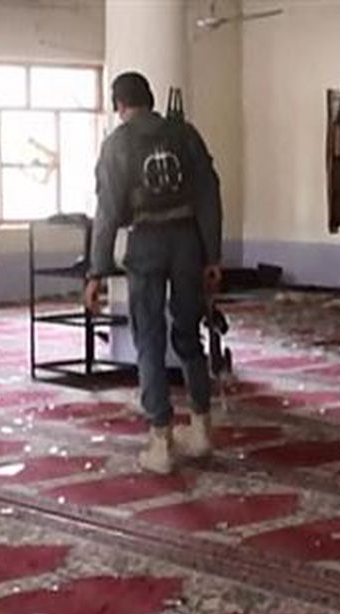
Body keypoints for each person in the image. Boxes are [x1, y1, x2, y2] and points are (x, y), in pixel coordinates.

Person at [84, 72, 223, 474]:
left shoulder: (117, 145)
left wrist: (97, 271)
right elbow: (209, 195)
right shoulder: (186, 135)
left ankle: (160, 440)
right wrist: (212, 254)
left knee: (148, 338)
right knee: (188, 335)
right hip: (187, 242)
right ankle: (200, 430)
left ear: (119, 105)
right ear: (151, 99)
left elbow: (108, 212)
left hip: (146, 241)